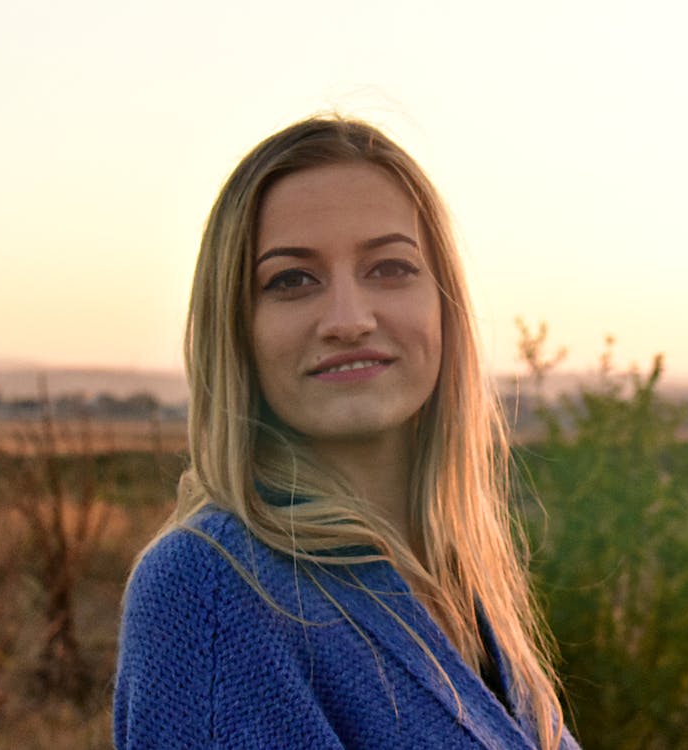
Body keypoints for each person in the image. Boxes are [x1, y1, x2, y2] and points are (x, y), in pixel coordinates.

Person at [114, 116, 580, 750]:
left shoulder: (457, 578)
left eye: (389, 268)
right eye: (292, 280)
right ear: (237, 330)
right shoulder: (209, 590)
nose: (349, 320)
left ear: (443, 303)